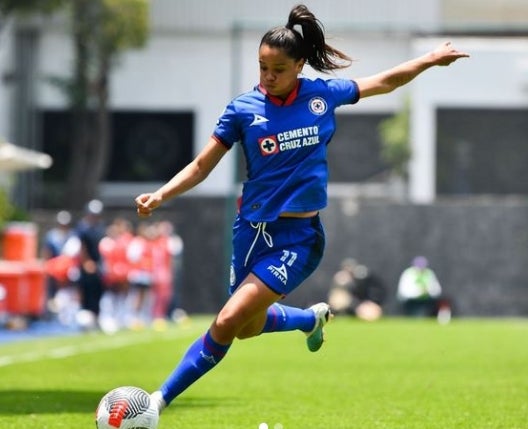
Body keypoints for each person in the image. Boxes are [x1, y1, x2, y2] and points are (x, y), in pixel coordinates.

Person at [134, 4, 469, 413]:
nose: (267, 76)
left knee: (224, 322)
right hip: (250, 231)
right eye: (261, 67)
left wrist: (429, 60)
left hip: (298, 238)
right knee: (245, 328)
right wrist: (161, 195)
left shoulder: (321, 95)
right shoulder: (242, 110)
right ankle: (309, 320)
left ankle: (155, 403)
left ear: (299, 66)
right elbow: (202, 165)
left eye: (277, 68)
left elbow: (385, 82)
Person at [396, 255, 450, 320]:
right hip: (411, 302)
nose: (420, 269)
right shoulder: (408, 273)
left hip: (427, 301)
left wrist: (428, 291)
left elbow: (436, 290)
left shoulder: (429, 273)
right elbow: (404, 291)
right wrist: (419, 292)